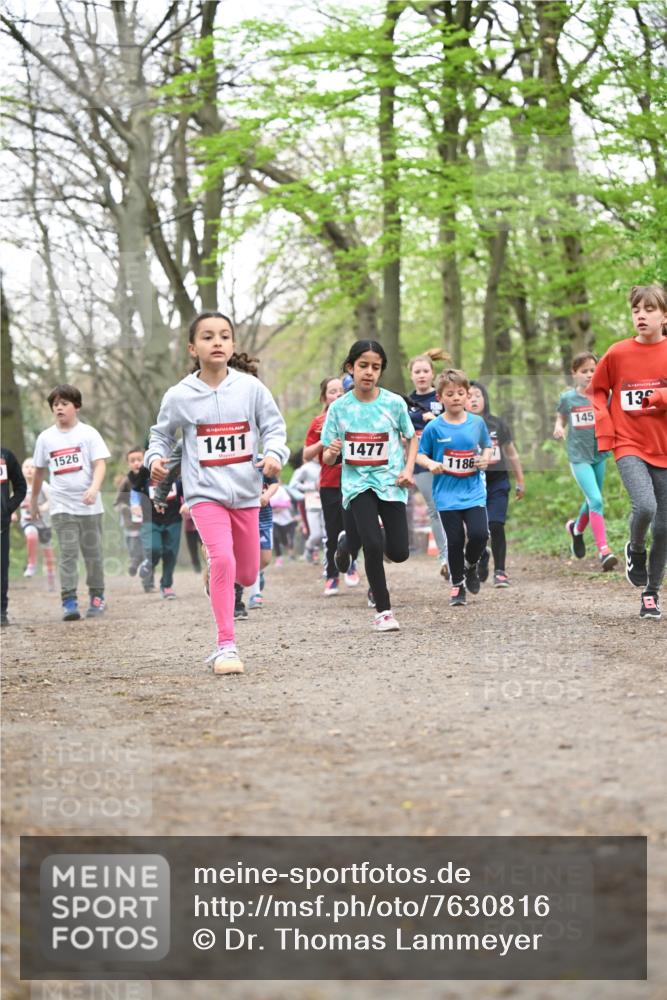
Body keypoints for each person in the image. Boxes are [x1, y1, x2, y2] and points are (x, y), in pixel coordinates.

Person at [145, 311, 288, 674]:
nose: (218, 342)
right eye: (208, 337)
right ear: (193, 348)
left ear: (233, 345)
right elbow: (161, 434)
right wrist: (155, 458)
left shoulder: (250, 389)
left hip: (246, 492)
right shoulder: (180, 395)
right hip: (204, 494)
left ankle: (224, 576)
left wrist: (273, 454)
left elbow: (273, 427)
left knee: (249, 571)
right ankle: (226, 646)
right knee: (222, 559)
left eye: (224, 336)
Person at [321, 340, 418, 632]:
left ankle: (346, 543)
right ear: (351, 368)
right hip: (357, 484)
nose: (369, 372)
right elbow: (327, 456)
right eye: (363, 365)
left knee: (399, 551)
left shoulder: (394, 403)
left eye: (376, 367)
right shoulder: (339, 408)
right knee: (373, 543)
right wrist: (333, 451)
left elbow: (412, 437)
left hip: (391, 482)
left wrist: (408, 468)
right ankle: (384, 611)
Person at [591, 284, 667, 620]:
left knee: (664, 527)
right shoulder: (618, 353)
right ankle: (636, 547)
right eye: (636, 310)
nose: (641, 315)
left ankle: (651, 593)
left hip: (664, 447)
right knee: (646, 506)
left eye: (649, 310)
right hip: (629, 443)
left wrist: (660, 399)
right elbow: (597, 391)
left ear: (664, 316)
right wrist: (606, 428)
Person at [31, 384, 110, 621]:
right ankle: (69, 600)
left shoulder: (88, 434)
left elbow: (100, 464)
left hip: (90, 506)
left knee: (92, 554)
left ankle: (97, 597)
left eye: (64, 403)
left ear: (76, 406)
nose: (59, 408)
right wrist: (34, 499)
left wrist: (94, 488)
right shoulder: (46, 438)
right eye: (55, 404)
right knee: (67, 554)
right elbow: (38, 472)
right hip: (62, 506)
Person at [417, 369, 492, 607]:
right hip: (446, 493)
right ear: (440, 398)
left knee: (480, 534)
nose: (456, 397)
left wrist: (485, 459)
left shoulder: (477, 423)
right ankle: (457, 585)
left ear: (467, 395)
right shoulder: (434, 428)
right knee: (456, 539)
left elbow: (487, 446)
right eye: (450, 394)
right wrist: (431, 463)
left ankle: (470, 566)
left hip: (473, 490)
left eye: (461, 393)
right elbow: (420, 455)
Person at [553, 353, 617, 571]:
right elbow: (561, 416)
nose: (589, 374)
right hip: (578, 456)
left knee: (592, 500)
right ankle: (604, 551)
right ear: (574, 374)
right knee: (596, 500)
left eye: (593, 370)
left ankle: (576, 529)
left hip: (599, 453)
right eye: (584, 371)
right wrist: (559, 427)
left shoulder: (603, 396)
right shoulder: (568, 398)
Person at [303, 376, 361, 595]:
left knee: (354, 527)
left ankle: (351, 563)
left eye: (340, 391)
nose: (337, 395)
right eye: (332, 391)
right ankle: (332, 575)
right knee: (332, 530)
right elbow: (306, 455)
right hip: (329, 483)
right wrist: (324, 440)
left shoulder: (356, 416)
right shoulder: (318, 422)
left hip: (354, 480)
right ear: (324, 396)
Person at [467, 381, 526, 586]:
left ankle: (500, 571)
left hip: (498, 481)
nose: (473, 399)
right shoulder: (460, 426)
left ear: (485, 399)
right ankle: (481, 557)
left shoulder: (497, 424)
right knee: (478, 530)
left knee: (496, 524)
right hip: (472, 484)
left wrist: (520, 480)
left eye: (477, 395)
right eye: (469, 395)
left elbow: (511, 452)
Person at [406, 350, 450, 579]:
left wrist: (437, 422)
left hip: (449, 459)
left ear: (432, 374)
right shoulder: (407, 403)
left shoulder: (442, 398)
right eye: (417, 372)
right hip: (421, 463)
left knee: (453, 508)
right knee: (435, 509)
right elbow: (401, 429)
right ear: (411, 375)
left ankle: (462, 551)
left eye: (425, 371)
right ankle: (445, 558)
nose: (421, 375)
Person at [128, 460, 184, 599]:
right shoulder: (145, 470)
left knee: (170, 553)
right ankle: (149, 562)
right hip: (150, 519)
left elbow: (186, 490)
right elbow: (135, 490)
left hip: (173, 518)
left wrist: (188, 503)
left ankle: (166, 586)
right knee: (154, 548)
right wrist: (134, 504)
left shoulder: (177, 468)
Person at [18, 457, 56, 590]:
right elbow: (12, 500)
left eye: (32, 467)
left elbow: (52, 500)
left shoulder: (43, 485)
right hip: (28, 522)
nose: (29, 469)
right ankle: (32, 564)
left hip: (44, 523)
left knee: (48, 551)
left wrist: (41, 508)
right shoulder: (19, 485)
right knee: (31, 534)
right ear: (22, 470)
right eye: (26, 467)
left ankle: (51, 578)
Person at [1, 447, 27, 626]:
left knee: (1, 568)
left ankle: (1, 611)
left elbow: (20, 487)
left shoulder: (6, 456)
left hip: (0, 526)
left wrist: (7, 509)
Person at [113, 448, 146, 577]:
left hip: (148, 523)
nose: (136, 463)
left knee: (147, 553)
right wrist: (129, 509)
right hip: (131, 523)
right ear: (128, 464)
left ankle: (147, 582)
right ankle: (134, 563)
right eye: (133, 461)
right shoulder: (126, 481)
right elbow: (117, 503)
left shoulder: (150, 478)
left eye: (139, 460)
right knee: (134, 552)